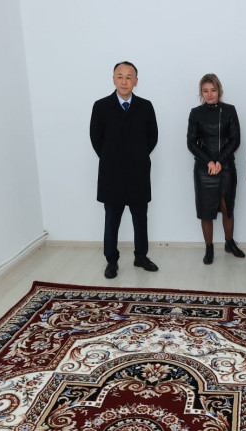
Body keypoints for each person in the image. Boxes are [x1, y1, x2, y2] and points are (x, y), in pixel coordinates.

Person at [90, 61, 159, 279]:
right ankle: (111, 260)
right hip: (112, 174)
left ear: (136, 81)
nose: (124, 81)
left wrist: (137, 157)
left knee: (140, 219)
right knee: (112, 220)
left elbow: (152, 137)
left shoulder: (146, 106)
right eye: (120, 76)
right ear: (113, 79)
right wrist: (112, 158)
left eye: (129, 77)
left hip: (138, 173)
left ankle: (141, 256)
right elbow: (96, 139)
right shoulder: (101, 106)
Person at [186, 73, 244, 265]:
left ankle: (229, 243)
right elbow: (191, 142)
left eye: (213, 90)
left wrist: (219, 161)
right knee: (205, 210)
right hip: (204, 169)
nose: (209, 94)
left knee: (228, 207)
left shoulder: (229, 110)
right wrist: (209, 162)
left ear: (219, 90)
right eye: (205, 91)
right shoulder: (196, 113)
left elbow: (235, 139)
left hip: (226, 166)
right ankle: (209, 248)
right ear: (201, 93)